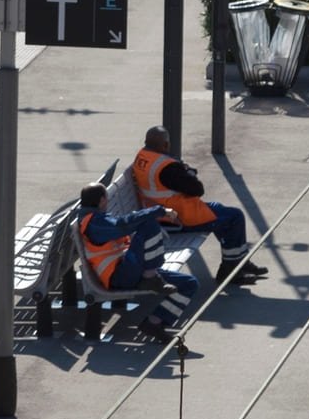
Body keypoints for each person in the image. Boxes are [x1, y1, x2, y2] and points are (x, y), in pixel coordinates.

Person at [128, 126, 267, 285]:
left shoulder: (142, 157)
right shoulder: (167, 167)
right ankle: (231, 270)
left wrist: (182, 171)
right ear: (165, 145)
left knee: (220, 210)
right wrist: (189, 173)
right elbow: (197, 190)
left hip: (160, 213)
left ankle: (238, 262)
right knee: (234, 216)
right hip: (178, 218)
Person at [73, 183, 201, 328]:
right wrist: (159, 211)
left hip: (131, 269)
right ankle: (150, 276)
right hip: (120, 276)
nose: (107, 202)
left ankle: (154, 323)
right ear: (102, 200)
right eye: (107, 199)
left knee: (189, 284)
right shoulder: (94, 223)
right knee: (148, 224)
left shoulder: (97, 220)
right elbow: (121, 225)